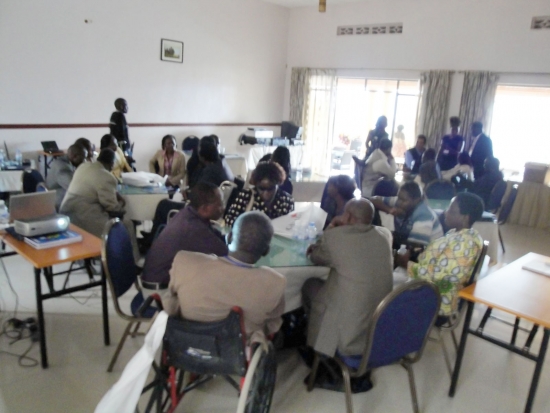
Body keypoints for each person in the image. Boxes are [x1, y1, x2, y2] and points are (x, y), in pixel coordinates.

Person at [165, 211, 286, 341]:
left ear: (228, 237)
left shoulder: (184, 261)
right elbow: (272, 325)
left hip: (185, 347)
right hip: (236, 356)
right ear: (266, 251)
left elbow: (168, 304)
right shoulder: (275, 282)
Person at [304, 199, 393, 359]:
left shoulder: (337, 237)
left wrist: (332, 226)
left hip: (349, 330)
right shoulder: (383, 237)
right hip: (379, 322)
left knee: (310, 285)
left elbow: (315, 256)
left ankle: (319, 350)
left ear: (347, 216)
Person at [394, 192, 484, 316]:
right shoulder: (461, 235)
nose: (445, 212)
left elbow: (440, 278)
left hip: (436, 300)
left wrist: (407, 264)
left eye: (451, 211)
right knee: (388, 279)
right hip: (427, 287)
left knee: (382, 286)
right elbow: (443, 261)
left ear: (465, 218)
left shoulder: (463, 244)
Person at [141, 182, 228, 294]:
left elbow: (213, 234)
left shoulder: (187, 213)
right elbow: (226, 255)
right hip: (159, 293)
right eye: (220, 204)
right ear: (205, 208)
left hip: (156, 281)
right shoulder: (193, 228)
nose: (223, 208)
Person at [60, 149, 139, 261]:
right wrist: (122, 203)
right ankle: (133, 261)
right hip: (83, 219)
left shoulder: (83, 166)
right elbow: (113, 209)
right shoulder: (107, 176)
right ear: (112, 164)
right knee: (128, 224)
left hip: (67, 216)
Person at [370, 181, 443, 248]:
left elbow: (415, 247)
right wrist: (389, 209)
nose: (398, 202)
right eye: (398, 198)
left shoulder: (423, 215)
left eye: (403, 200)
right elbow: (373, 200)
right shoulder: (402, 202)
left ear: (416, 201)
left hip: (431, 252)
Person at [225, 162, 294, 226]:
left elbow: (290, 226)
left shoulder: (286, 200)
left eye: (270, 189)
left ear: (278, 184)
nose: (266, 193)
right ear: (256, 185)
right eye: (261, 189)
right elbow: (229, 219)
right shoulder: (246, 196)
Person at [46, 143, 87, 211]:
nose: (84, 161)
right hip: (57, 202)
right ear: (74, 156)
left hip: (58, 196)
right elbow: (73, 187)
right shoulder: (62, 168)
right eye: (83, 158)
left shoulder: (66, 163)